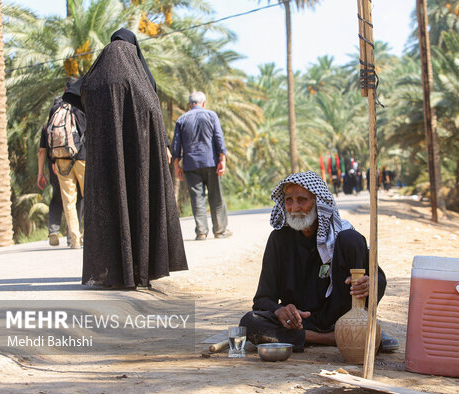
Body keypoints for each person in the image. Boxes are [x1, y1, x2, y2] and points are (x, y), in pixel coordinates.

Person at [63, 28, 187, 288]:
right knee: (138, 204)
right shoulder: (140, 82)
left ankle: (111, 271)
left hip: (104, 161)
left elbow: (74, 94)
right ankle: (140, 270)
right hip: (139, 163)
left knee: (108, 207)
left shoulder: (95, 79)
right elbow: (152, 114)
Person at [239, 171, 399, 353]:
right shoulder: (279, 240)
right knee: (249, 323)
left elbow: (378, 278)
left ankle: (360, 326)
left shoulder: (341, 236)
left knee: (352, 239)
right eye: (289, 200)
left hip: (342, 317)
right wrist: (280, 311)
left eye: (302, 200)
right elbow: (262, 300)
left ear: (318, 203)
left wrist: (369, 283)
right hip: (299, 322)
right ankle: (334, 338)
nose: (294, 207)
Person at [171, 91, 231, 241]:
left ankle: (201, 232)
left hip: (191, 165)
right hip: (211, 162)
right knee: (215, 197)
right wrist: (222, 159)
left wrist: (177, 166)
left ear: (189, 104)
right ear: (203, 103)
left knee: (197, 198)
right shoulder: (211, 115)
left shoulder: (181, 119)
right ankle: (219, 230)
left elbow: (176, 145)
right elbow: (218, 137)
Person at [40, 78, 86, 248]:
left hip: (61, 160)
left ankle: (74, 240)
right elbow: (87, 132)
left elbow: (49, 135)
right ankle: (88, 235)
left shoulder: (55, 108)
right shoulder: (79, 106)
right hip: (81, 158)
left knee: (68, 201)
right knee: (89, 196)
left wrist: (53, 160)